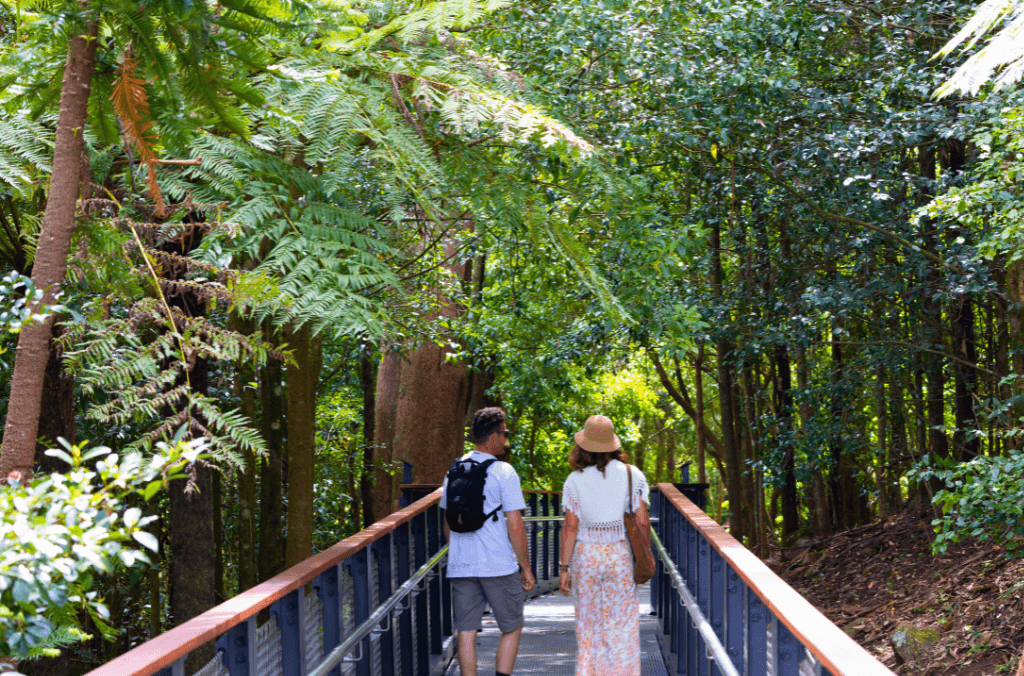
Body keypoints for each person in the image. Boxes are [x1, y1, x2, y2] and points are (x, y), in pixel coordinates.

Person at [441, 407, 535, 676]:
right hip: (498, 565)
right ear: (493, 436)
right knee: (512, 626)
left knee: (466, 631)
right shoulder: (504, 471)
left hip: (462, 566)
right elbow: (515, 524)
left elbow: (447, 522)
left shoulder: (454, 470)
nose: (506, 440)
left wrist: (457, 553)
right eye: (504, 434)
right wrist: (525, 567)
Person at [558, 415, 650, 676]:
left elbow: (571, 526)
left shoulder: (574, 480)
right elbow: (642, 523)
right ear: (613, 444)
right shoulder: (633, 475)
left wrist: (564, 567)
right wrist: (645, 555)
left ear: (583, 446)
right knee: (621, 624)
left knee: (588, 623)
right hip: (618, 555)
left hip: (586, 556)